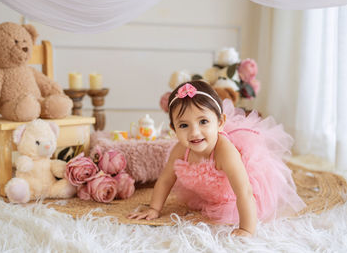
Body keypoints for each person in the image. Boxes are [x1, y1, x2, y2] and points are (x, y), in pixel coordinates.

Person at [128, 80, 306, 237]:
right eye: (184, 125)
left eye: (203, 121)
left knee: (245, 194)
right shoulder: (180, 149)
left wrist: (246, 229)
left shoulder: (225, 152)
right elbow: (166, 180)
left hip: (239, 194)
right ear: (174, 129)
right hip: (209, 192)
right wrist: (154, 209)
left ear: (220, 123)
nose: (194, 132)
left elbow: (244, 192)